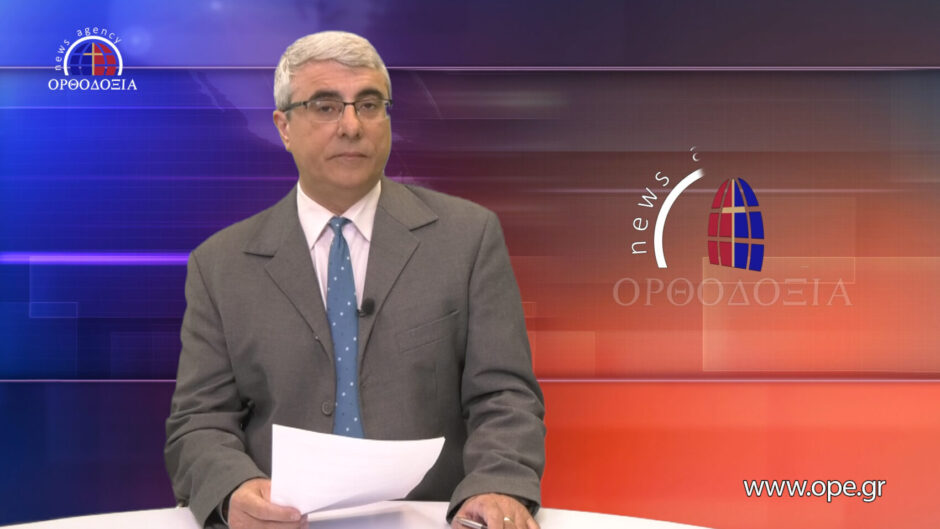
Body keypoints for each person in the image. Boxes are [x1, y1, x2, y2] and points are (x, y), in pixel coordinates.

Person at [164, 31, 545, 529]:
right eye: (325, 107)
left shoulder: (467, 238)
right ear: (283, 126)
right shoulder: (221, 265)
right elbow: (199, 421)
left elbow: (504, 397)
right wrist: (233, 488)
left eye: (368, 105)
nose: (351, 126)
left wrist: (496, 485)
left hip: (431, 519)